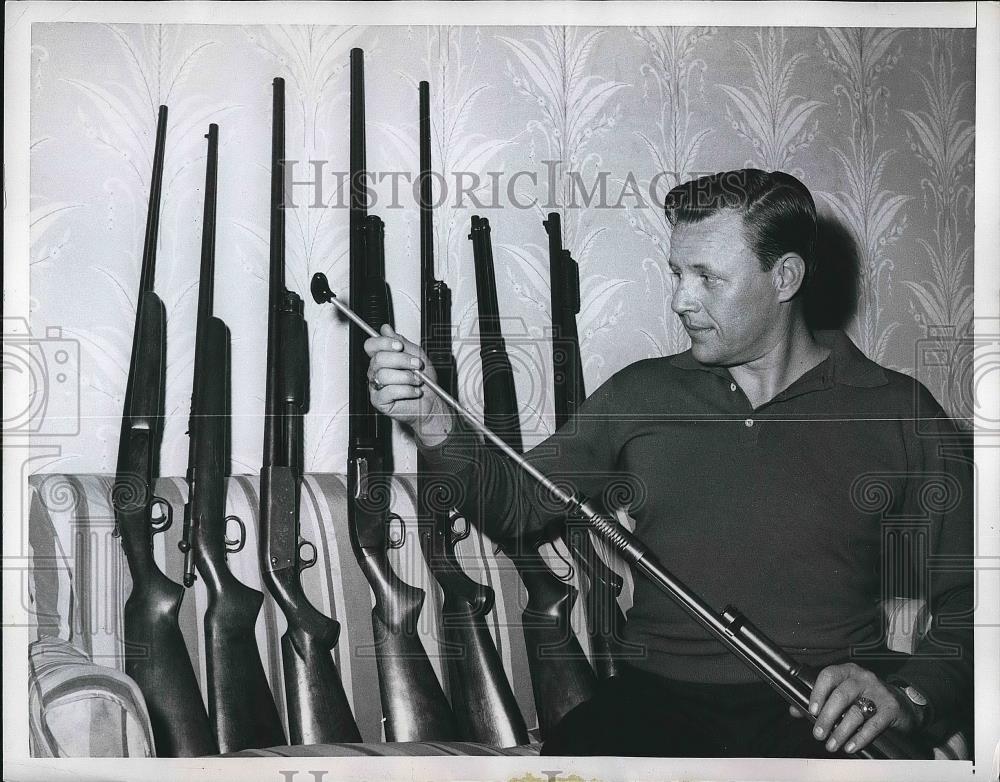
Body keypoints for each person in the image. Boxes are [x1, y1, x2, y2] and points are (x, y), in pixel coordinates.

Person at [363, 169, 973, 757]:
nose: (681, 300)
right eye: (677, 273)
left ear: (784, 277)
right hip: (659, 703)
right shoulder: (641, 393)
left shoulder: (897, 409)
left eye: (709, 278)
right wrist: (432, 421)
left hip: (823, 711)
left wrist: (914, 696)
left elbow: (977, 596)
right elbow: (515, 505)